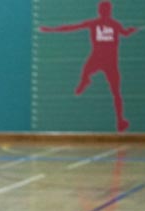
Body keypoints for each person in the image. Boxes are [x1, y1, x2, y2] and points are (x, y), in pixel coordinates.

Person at [39, 1, 136, 132]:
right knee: (116, 93)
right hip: (109, 62)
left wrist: (51, 29)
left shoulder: (96, 23)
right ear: (108, 11)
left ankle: (85, 81)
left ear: (100, 11)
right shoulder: (115, 24)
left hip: (99, 59)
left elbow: (72, 27)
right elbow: (125, 33)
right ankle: (119, 120)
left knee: (88, 73)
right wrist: (129, 31)